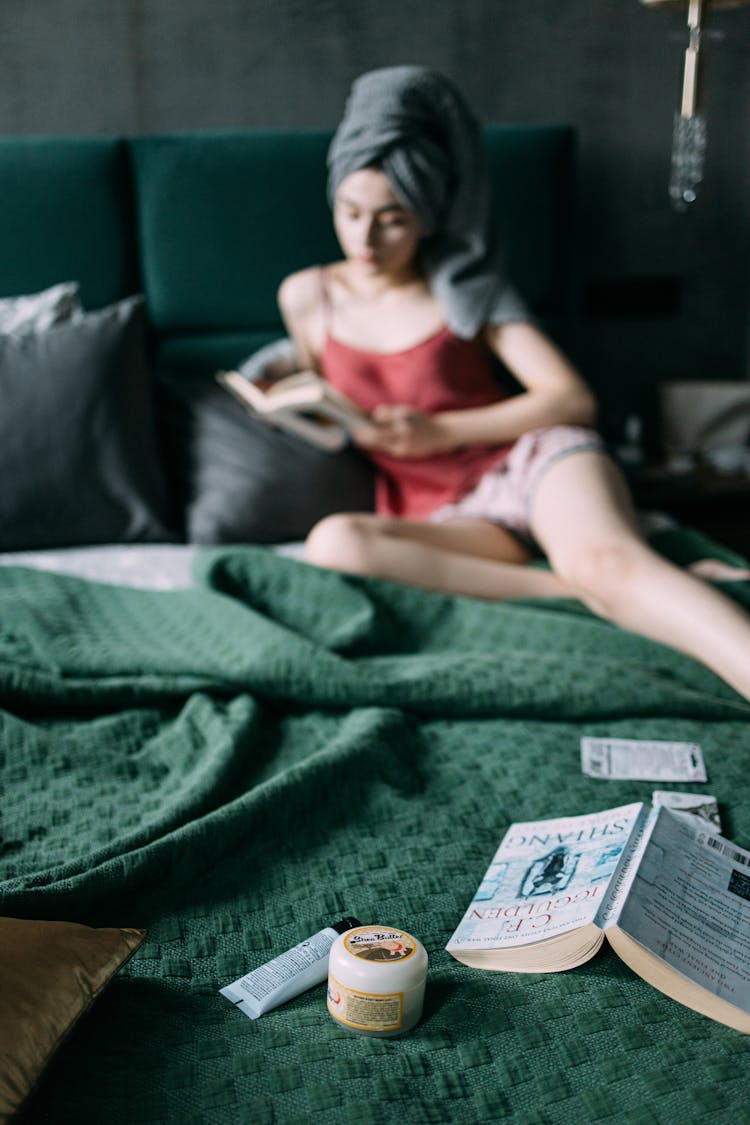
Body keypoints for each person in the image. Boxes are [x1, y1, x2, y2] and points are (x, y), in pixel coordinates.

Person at [278, 65, 750, 702]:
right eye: (351, 211)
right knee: (335, 543)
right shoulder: (307, 297)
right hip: (449, 514)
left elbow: (571, 400)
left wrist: (438, 431)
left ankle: (615, 581)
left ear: (425, 216)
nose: (366, 237)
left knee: (609, 562)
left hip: (535, 465)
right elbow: (322, 387)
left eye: (392, 218)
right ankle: (588, 588)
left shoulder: (466, 287)